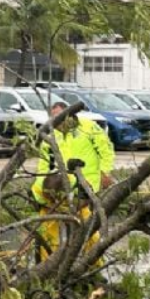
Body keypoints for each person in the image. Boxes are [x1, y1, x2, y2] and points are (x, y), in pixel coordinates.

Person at [31, 102, 115, 259]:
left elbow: (106, 150)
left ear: (69, 115)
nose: (57, 122)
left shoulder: (89, 127)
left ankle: (88, 260)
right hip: (61, 188)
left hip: (88, 186)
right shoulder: (50, 135)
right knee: (54, 230)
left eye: (60, 117)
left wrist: (105, 172)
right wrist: (42, 187)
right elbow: (43, 165)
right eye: (53, 118)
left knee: (86, 228)